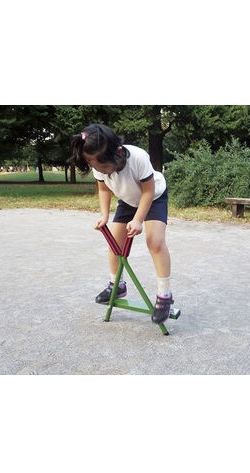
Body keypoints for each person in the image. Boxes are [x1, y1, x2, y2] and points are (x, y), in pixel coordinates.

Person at [70, 123, 173, 324]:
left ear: (117, 153)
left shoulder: (138, 158)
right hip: (128, 200)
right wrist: (104, 215)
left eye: (104, 167)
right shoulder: (98, 163)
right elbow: (104, 189)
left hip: (153, 197)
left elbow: (148, 192)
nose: (101, 171)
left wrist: (138, 220)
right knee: (114, 245)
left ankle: (164, 295)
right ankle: (117, 286)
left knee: (155, 242)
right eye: (96, 168)